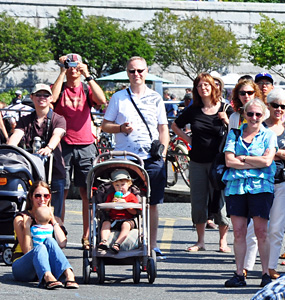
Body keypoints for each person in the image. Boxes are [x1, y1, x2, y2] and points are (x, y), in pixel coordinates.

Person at [101, 56, 169, 257]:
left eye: (140, 71)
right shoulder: (118, 97)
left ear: (146, 72)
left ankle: (153, 244)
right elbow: (105, 125)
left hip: (151, 157)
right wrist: (121, 128)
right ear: (127, 74)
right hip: (127, 158)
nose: (136, 74)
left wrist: (163, 155)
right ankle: (124, 238)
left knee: (153, 202)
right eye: (132, 71)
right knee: (126, 199)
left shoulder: (156, 97)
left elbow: (163, 128)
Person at [51, 52, 107, 249]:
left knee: (87, 193)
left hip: (85, 145)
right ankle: (59, 232)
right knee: (60, 191)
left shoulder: (85, 88)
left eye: (76, 64)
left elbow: (101, 100)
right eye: (69, 64)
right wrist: (61, 73)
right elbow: (52, 99)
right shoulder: (60, 86)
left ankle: (87, 235)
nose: (73, 67)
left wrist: (88, 76)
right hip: (62, 144)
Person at [171, 73, 232, 253]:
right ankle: (200, 241)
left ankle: (223, 241)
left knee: (220, 200)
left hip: (220, 162)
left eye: (207, 84)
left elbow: (237, 131)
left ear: (214, 87)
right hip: (197, 161)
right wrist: (188, 140)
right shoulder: (193, 110)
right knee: (198, 200)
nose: (203, 88)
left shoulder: (225, 108)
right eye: (199, 85)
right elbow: (175, 125)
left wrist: (226, 121)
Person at [221, 98, 277, 288]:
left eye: (258, 114)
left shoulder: (269, 135)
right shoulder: (234, 134)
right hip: (236, 187)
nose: (254, 117)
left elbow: (268, 162)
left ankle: (265, 273)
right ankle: (239, 273)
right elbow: (229, 161)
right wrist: (256, 160)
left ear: (263, 115)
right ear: (244, 114)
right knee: (238, 232)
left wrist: (243, 158)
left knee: (261, 232)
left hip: (260, 187)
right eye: (250, 114)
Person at [8, 84, 68, 221]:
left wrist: (49, 148)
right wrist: (9, 149)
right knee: (29, 209)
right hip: (32, 172)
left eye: (46, 95)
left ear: (51, 98)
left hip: (54, 171)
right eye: (38, 95)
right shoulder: (25, 120)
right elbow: (16, 135)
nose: (42, 98)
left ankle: (56, 238)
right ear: (32, 97)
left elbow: (57, 135)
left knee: (55, 211)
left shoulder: (58, 119)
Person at [11, 182, 79, 289]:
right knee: (40, 248)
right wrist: (27, 227)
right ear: (31, 197)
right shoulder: (21, 219)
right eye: (38, 196)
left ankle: (69, 274)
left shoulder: (55, 219)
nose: (42, 199)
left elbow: (62, 243)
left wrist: (53, 221)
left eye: (46, 196)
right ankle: (47, 276)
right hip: (23, 266)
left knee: (50, 240)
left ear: (50, 197)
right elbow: (27, 251)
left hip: (46, 264)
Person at [261, 88, 285, 282]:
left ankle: (270, 267)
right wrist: (282, 151)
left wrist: (274, 151)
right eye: (275, 105)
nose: (279, 109)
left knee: (276, 228)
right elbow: (258, 152)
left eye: (283, 106)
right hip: (260, 180)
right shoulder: (259, 126)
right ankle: (247, 266)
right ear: (268, 106)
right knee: (256, 227)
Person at [98, 169, 141, 254]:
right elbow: (106, 209)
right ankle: (104, 241)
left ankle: (117, 244)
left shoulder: (131, 197)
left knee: (126, 225)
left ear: (129, 184)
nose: (120, 188)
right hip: (113, 219)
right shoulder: (111, 196)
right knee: (105, 223)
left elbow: (135, 212)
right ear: (113, 186)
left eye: (123, 185)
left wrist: (126, 205)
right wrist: (111, 203)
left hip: (127, 219)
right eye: (117, 185)